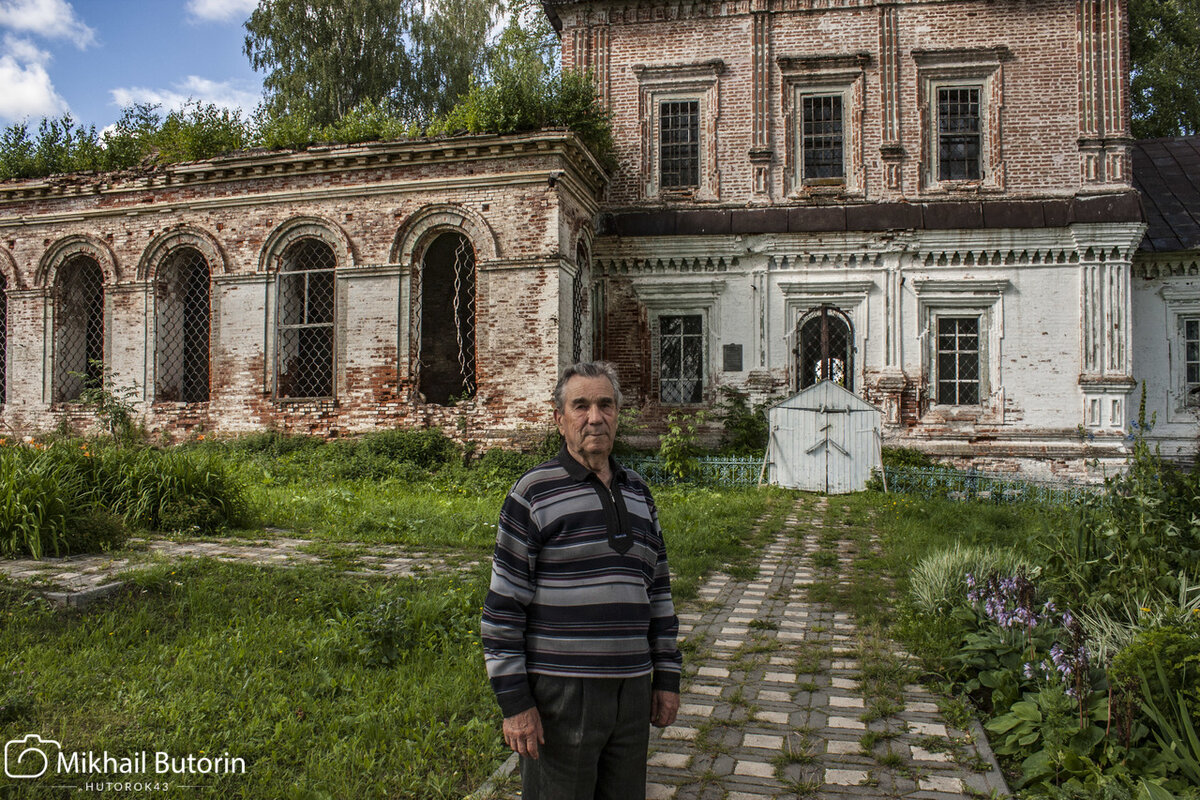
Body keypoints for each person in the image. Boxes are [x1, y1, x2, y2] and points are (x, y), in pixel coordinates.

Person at [481, 361, 682, 799]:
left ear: (617, 414)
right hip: (562, 694)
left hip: (632, 691)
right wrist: (515, 704)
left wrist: (666, 678)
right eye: (581, 406)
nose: (595, 417)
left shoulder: (639, 493)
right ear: (560, 420)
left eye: (605, 404)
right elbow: (503, 609)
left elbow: (659, 595)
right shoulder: (533, 494)